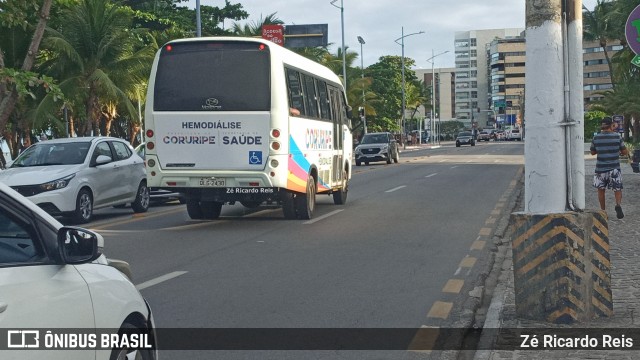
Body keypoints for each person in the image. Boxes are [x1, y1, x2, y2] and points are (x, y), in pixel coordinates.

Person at [590, 116, 629, 219]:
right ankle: (618, 205)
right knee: (617, 189)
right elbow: (624, 152)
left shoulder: (596, 137)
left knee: (601, 190)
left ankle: (603, 211)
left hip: (600, 169)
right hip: (614, 168)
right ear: (611, 125)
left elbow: (593, 152)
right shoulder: (617, 136)